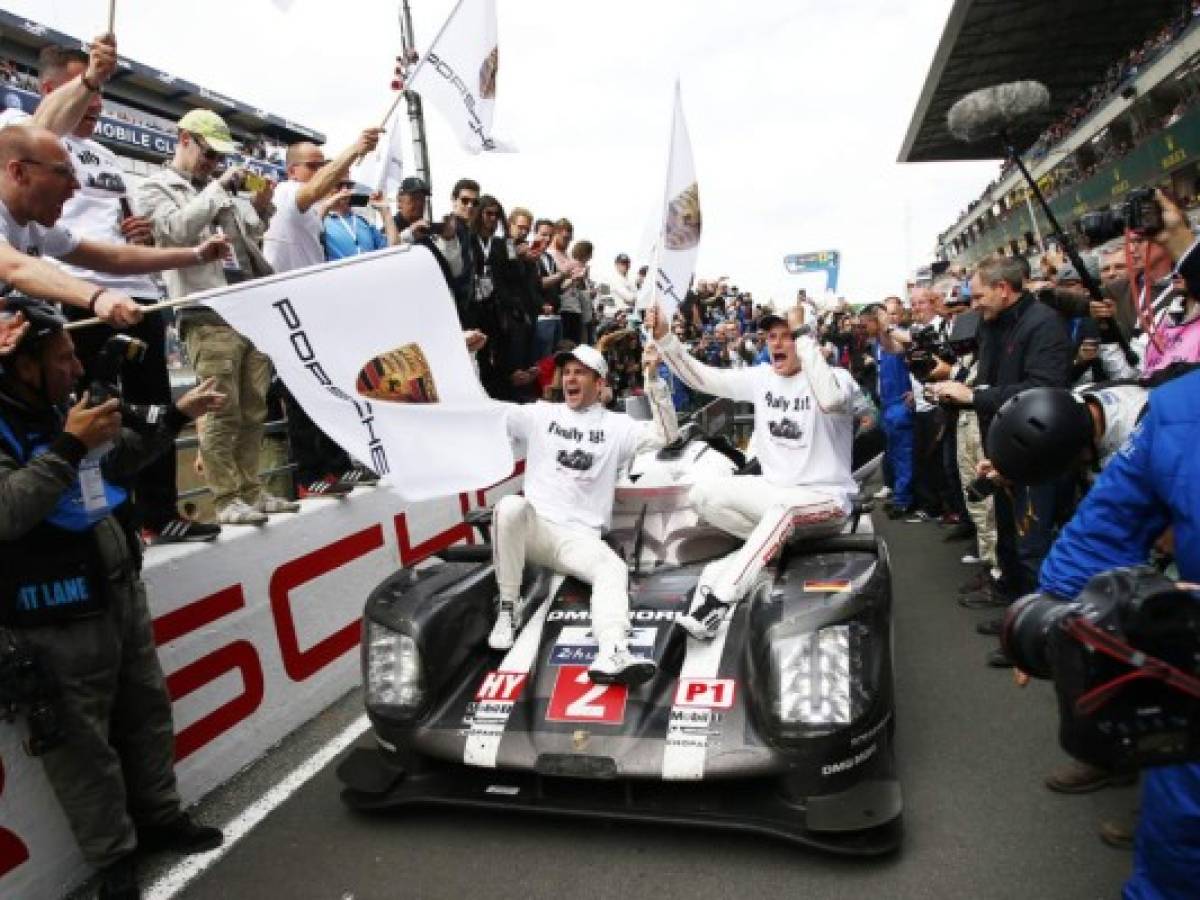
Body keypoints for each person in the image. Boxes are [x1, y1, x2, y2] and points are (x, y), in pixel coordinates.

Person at [0, 300, 225, 899]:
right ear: (23, 367)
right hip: (52, 616)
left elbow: (121, 457)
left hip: (118, 587)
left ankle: (160, 819)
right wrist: (69, 447)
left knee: (147, 712)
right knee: (82, 748)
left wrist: (175, 415)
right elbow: (7, 511)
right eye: (62, 358)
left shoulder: (62, 410)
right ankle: (113, 859)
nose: (76, 369)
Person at [2, 40, 214, 544]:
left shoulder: (35, 224)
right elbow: (13, 267)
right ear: (18, 172)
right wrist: (95, 299)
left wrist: (191, 256)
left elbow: (111, 256)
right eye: (64, 176)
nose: (76, 190)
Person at [647, 305, 855, 639]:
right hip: (776, 493)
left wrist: (804, 336)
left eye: (786, 336)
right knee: (703, 493)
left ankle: (719, 601)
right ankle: (767, 551)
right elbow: (702, 377)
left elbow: (829, 400)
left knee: (782, 511)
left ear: (806, 340)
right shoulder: (761, 378)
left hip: (826, 500)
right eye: (771, 336)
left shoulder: (838, 379)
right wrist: (665, 339)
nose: (777, 344)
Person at [137, 109, 299, 526]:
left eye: (219, 158)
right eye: (209, 154)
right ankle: (227, 498)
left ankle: (252, 491)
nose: (215, 164)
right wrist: (219, 189)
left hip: (248, 304)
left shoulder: (216, 187)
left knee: (253, 407)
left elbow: (250, 237)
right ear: (184, 138)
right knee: (220, 407)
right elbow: (172, 233)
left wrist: (261, 207)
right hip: (205, 308)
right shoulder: (155, 186)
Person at [489, 344, 678, 683]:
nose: (570, 379)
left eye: (580, 372)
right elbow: (488, 412)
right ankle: (508, 607)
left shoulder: (618, 425)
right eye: (567, 372)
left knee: (612, 570)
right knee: (509, 506)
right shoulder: (541, 414)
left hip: (579, 538)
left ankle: (612, 651)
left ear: (599, 381)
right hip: (537, 528)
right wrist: (472, 361)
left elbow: (667, 435)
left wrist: (654, 379)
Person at [928, 256, 1074, 666]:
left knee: (1032, 545)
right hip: (1005, 447)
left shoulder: (1043, 324)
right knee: (1009, 534)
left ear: (1004, 289)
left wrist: (974, 396)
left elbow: (1044, 390)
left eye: (978, 296)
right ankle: (1018, 618)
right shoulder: (993, 325)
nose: (974, 305)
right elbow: (991, 380)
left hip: (1038, 453)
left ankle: (1042, 638)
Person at [262, 127, 385, 497]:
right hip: (288, 311)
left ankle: (336, 465)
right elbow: (313, 193)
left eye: (324, 165)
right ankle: (308, 475)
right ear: (292, 171)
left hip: (311, 309)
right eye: (313, 165)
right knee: (301, 394)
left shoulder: (310, 209)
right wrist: (354, 150)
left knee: (330, 388)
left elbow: (317, 203)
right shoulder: (286, 194)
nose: (322, 172)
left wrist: (333, 201)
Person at [319, 182, 398, 260]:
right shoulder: (321, 221)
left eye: (349, 186)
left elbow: (394, 250)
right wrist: (326, 205)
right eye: (338, 185)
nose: (345, 190)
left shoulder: (364, 222)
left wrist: (385, 210)